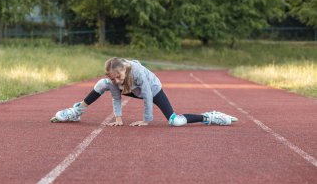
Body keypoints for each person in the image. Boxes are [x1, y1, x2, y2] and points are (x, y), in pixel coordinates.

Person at [50, 57, 238, 127]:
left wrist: (146, 120)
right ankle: (76, 112)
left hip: (152, 90)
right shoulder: (114, 79)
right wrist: (118, 118)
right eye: (113, 78)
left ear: (125, 69)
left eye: (118, 76)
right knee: (101, 84)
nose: (116, 80)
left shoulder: (137, 72)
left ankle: (210, 117)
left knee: (176, 122)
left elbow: (147, 96)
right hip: (131, 90)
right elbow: (116, 97)